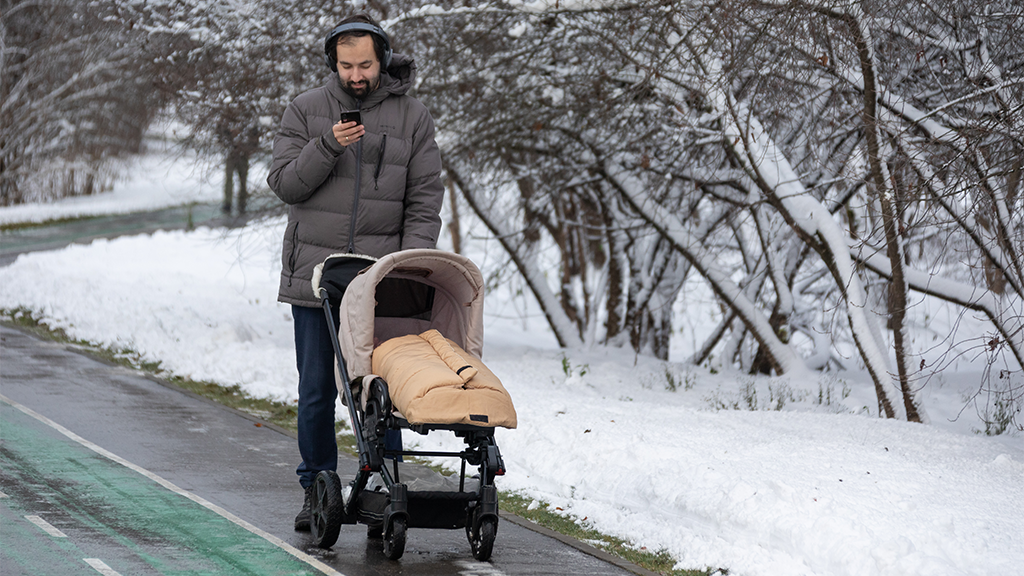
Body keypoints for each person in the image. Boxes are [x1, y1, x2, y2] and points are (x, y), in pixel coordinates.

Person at [266, 14, 444, 531]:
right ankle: (315, 487)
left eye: (365, 64)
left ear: (382, 58)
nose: (357, 74)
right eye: (347, 65)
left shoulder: (413, 116)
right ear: (333, 63)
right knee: (317, 389)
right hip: (316, 278)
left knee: (379, 393)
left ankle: (385, 488)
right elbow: (285, 184)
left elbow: (424, 199)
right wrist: (328, 146)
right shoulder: (305, 109)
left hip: (378, 280)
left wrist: (407, 268)